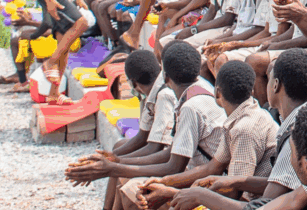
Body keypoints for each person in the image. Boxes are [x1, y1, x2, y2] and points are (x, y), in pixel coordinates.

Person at [68, 41, 225, 210]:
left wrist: (113, 167)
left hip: (213, 183)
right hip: (202, 172)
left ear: (165, 77)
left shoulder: (189, 106)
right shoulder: (200, 86)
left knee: (133, 193)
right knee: (125, 181)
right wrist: (116, 162)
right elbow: (172, 153)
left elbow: (174, 165)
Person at [169, 49, 307, 209]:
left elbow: (262, 206)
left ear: (275, 85)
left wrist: (199, 196)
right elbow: (281, 184)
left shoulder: (294, 134)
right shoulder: (293, 121)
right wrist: (234, 181)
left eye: (268, 79)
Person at [141, 60, 279, 205]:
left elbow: (234, 192)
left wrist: (172, 193)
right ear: (251, 91)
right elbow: (212, 167)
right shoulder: (243, 116)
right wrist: (165, 181)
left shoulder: (244, 129)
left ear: (217, 93)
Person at [65, 50, 172, 209]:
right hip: (161, 151)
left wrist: (113, 164)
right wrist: (107, 159)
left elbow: (155, 147)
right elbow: (142, 137)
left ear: (133, 83)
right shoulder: (148, 94)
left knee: (121, 176)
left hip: (169, 158)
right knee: (119, 147)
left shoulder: (164, 95)